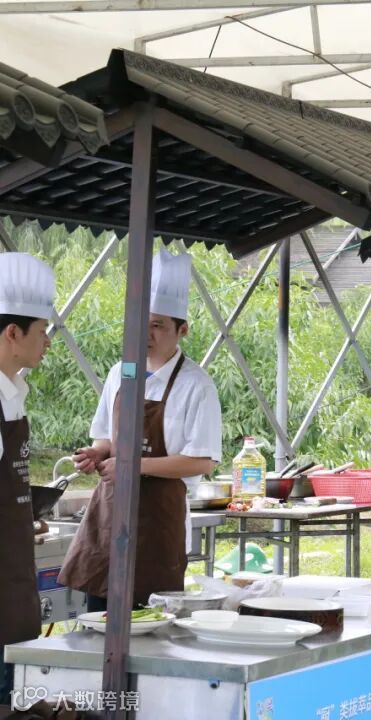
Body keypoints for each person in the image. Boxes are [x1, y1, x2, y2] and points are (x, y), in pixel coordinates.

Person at [61, 250, 222, 610]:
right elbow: (106, 436)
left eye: (158, 325)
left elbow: (202, 460)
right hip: (110, 515)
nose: (146, 334)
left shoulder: (196, 385)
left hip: (159, 526)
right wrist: (98, 452)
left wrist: (133, 466)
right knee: (98, 619)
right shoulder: (120, 372)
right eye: (140, 322)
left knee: (149, 624)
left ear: (182, 330)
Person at [0, 253, 55, 705]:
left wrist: (22, 519)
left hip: (12, 573)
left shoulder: (13, 394)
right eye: (41, 331)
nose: (48, 342)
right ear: (12, 334)